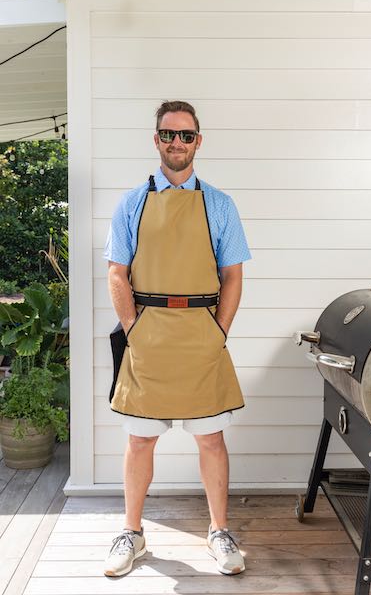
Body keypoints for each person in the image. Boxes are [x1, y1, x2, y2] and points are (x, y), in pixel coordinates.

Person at [103, 100, 251, 578]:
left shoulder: (220, 205)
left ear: (198, 142)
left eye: (186, 135)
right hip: (149, 336)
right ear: (157, 140)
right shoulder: (132, 202)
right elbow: (116, 272)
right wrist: (134, 330)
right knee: (140, 441)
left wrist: (219, 332)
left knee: (210, 438)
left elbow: (232, 275)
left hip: (201, 336)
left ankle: (219, 531)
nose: (177, 143)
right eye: (168, 135)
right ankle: (132, 533)